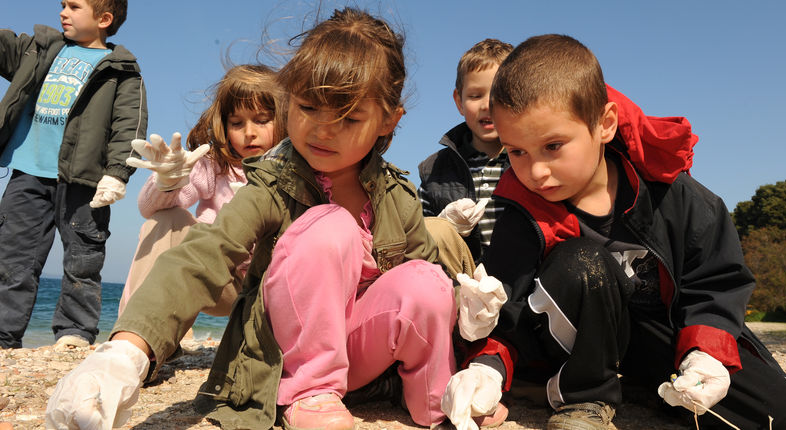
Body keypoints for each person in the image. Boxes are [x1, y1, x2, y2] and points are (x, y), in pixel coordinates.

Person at [45, 8, 459, 430]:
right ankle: (309, 391)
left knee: (428, 279)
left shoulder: (396, 195)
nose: (323, 129)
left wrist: (476, 340)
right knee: (330, 224)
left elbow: (428, 286)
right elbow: (205, 253)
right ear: (289, 97)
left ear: (389, 120)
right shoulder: (273, 182)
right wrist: (126, 353)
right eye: (308, 107)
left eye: (348, 117)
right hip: (288, 358)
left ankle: (438, 399)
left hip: (364, 360)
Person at [443, 35, 786, 430]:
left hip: (660, 335)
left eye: (553, 146)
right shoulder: (521, 210)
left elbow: (715, 281)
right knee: (582, 261)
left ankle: (645, 386)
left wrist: (704, 354)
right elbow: (509, 304)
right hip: (572, 344)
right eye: (517, 151)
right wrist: (486, 368)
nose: (535, 171)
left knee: (780, 415)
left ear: (604, 124)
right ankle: (586, 396)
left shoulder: (674, 195)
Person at [0, 0, 147, 349]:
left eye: (74, 6)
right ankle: (3, 335)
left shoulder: (122, 70)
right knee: (11, 257)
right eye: (63, 4)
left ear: (104, 19)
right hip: (28, 172)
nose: (63, 12)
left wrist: (117, 173)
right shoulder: (39, 49)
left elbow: (130, 125)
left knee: (83, 259)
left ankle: (75, 332)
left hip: (86, 181)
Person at [118, 64, 286, 323]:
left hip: (275, 286)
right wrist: (168, 181)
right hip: (220, 280)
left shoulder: (296, 169)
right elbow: (148, 210)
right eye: (237, 123)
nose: (250, 133)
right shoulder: (215, 165)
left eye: (262, 120)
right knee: (166, 219)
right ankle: (134, 331)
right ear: (224, 125)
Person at [418, 39, 513, 266]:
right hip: (461, 276)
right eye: (475, 96)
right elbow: (418, 235)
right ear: (459, 101)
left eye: (498, 95)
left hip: (522, 277)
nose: (486, 105)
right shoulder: (435, 170)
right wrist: (444, 225)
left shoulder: (532, 160)